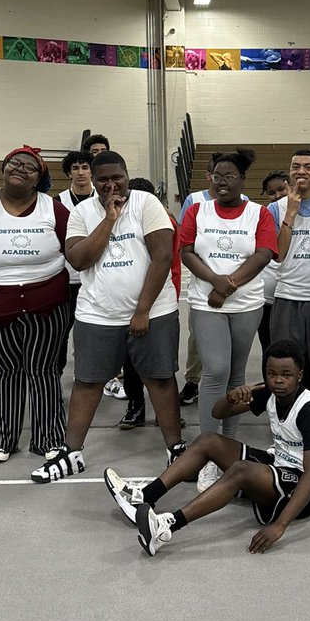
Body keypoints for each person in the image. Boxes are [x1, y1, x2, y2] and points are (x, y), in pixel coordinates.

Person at [31, 153, 183, 482]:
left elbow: (162, 257)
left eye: (118, 178)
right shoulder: (82, 212)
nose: (111, 184)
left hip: (154, 311)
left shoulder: (146, 204)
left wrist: (142, 309)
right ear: (94, 181)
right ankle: (72, 453)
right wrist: (109, 220)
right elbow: (79, 260)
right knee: (88, 382)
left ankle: (175, 449)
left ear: (128, 175)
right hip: (97, 313)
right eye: (103, 180)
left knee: (159, 379)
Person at [103, 340, 310, 556]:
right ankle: (144, 496)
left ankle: (166, 527)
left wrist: (280, 525)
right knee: (208, 441)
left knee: (241, 470)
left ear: (299, 376)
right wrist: (231, 398)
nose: (278, 380)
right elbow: (218, 413)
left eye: (286, 375)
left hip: (305, 489)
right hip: (279, 465)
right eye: (272, 374)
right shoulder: (269, 393)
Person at [0, 146, 71, 462]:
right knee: (8, 370)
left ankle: (49, 438)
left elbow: (76, 249)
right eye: (14, 162)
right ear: (3, 169)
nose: (20, 168)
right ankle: (3, 439)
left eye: (29, 166)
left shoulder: (54, 209)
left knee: (44, 370)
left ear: (40, 179)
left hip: (47, 303)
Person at [179, 148, 277, 490]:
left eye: (229, 177)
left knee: (237, 374)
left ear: (242, 180)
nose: (222, 182)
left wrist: (229, 285)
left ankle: (228, 452)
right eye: (216, 176)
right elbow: (186, 250)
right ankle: (206, 453)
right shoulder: (197, 210)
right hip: (207, 303)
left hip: (246, 303)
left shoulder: (259, 214)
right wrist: (216, 283)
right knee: (216, 371)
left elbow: (264, 253)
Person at [268, 149, 310, 408]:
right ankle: (287, 424)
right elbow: (279, 255)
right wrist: (290, 213)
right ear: (289, 171)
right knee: (284, 369)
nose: (301, 171)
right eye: (296, 166)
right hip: (287, 296)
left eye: (308, 166)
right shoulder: (275, 208)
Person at [114, 176, 183, 432]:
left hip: (161, 301)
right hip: (127, 301)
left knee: (163, 365)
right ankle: (135, 406)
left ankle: (168, 414)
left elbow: (167, 261)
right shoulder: (117, 219)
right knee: (131, 362)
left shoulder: (165, 221)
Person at [57, 151, 95, 371]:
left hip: (95, 278)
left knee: (93, 331)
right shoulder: (58, 202)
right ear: (68, 172)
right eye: (75, 168)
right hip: (67, 280)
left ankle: (98, 375)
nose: (80, 172)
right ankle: (55, 374)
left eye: (85, 167)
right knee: (61, 332)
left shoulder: (103, 201)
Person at [258, 170, 290, 369]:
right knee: (269, 345)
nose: (277, 195)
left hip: (294, 291)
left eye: (281, 189)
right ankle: (271, 391)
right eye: (272, 192)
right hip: (268, 294)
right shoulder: (268, 213)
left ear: (291, 186)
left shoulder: (305, 209)